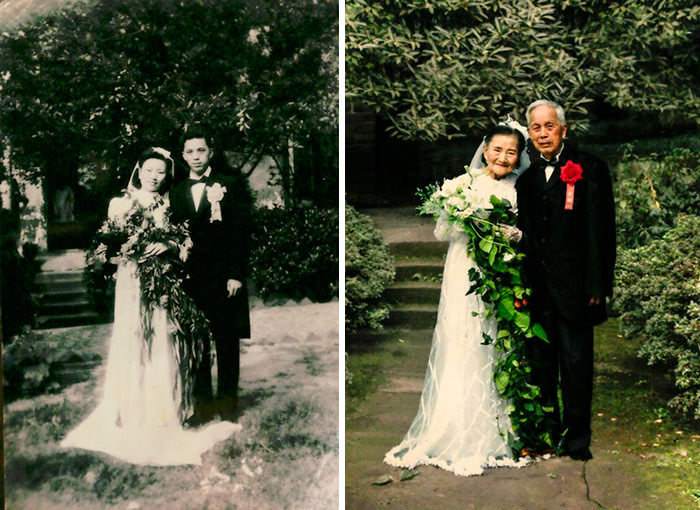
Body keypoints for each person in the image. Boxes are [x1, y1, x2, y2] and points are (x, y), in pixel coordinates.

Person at [61, 147, 240, 466]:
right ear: (139, 170)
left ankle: (162, 409)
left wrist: (166, 244)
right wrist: (123, 254)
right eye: (150, 170)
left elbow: (183, 240)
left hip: (162, 281)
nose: (155, 177)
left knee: (160, 339)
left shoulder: (168, 203)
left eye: (161, 172)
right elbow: (106, 246)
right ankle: (130, 409)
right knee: (133, 337)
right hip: (132, 281)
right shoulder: (120, 203)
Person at [384, 124, 531, 477]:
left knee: (496, 339)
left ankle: (497, 423)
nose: (503, 158)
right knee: (462, 338)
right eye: (497, 149)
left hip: (500, 274)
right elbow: (441, 230)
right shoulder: (463, 185)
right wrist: (463, 217)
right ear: (484, 149)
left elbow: (530, 231)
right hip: (465, 270)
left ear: (518, 158)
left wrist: (516, 233)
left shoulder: (518, 190)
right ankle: (453, 422)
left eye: (511, 152)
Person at [516, 100, 616, 461]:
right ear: (529, 133)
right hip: (539, 291)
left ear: (563, 129)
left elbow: (601, 232)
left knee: (576, 366)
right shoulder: (525, 180)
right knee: (543, 367)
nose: (543, 133)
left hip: (577, 290)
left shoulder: (589, 168)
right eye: (536, 128)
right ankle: (549, 435)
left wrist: (597, 286)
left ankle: (578, 441)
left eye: (549, 126)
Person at [169, 124, 252, 425]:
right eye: (189, 151)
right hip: (192, 280)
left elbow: (241, 234)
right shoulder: (176, 191)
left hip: (224, 277)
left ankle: (228, 407)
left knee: (227, 341)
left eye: (201, 150)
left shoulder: (230, 184)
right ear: (182, 155)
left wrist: (236, 274)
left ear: (211, 152)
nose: (195, 156)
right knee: (198, 343)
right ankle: (203, 407)